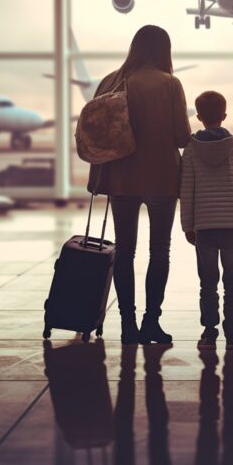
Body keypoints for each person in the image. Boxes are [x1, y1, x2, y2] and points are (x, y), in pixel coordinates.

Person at [88, 25, 191, 345]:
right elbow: (182, 137)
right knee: (160, 249)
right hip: (161, 177)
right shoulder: (170, 83)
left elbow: (97, 130)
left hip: (121, 177)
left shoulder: (111, 81)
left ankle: (128, 324)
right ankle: (152, 322)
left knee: (125, 250)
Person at [180, 90, 233, 350]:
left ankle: (210, 331)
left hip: (204, 227)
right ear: (224, 116)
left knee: (208, 283)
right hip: (231, 226)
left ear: (199, 117)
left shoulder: (190, 151)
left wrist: (187, 225)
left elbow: (186, 190)